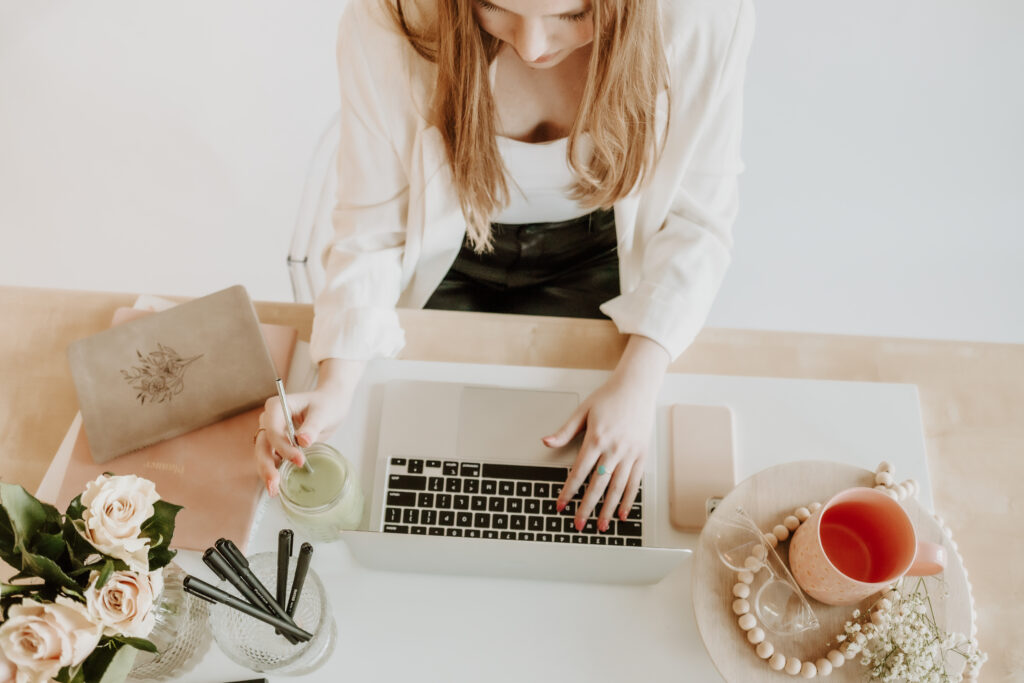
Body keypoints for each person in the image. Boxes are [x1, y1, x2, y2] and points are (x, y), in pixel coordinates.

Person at [255, 0, 754, 536]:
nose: (533, 47)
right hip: (448, 257)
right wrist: (336, 380)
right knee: (408, 485)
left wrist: (640, 380)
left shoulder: (705, 19)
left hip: (602, 258)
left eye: (573, 13)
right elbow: (373, 229)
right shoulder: (389, 19)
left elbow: (696, 222)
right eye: (495, 7)